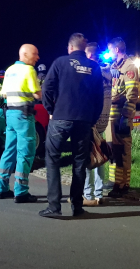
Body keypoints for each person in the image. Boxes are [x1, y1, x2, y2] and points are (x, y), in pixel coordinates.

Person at [39, 34, 103, 218]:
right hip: (84, 120)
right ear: (84, 48)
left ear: (70, 47)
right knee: (79, 162)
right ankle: (77, 206)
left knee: (52, 159)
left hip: (60, 118)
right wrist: (91, 119)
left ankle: (54, 206)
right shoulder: (94, 67)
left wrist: (52, 110)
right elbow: (99, 98)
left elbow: (47, 89)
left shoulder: (60, 62)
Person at [0, 44, 41, 203]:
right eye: (35, 54)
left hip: (10, 114)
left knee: (9, 150)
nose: (37, 57)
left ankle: (2, 188)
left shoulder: (9, 70)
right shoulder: (29, 71)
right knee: (25, 152)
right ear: (25, 54)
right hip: (23, 115)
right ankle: (21, 192)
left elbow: (4, 94)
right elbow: (37, 94)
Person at [105, 37, 139, 197]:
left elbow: (132, 95)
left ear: (116, 50)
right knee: (113, 149)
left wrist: (126, 117)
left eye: (109, 50)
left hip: (121, 117)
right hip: (112, 117)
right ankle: (115, 181)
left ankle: (123, 185)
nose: (108, 53)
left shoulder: (129, 66)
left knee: (123, 151)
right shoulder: (114, 66)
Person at [82, 42, 112, 205]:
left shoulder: (93, 72)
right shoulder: (107, 72)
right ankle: (99, 193)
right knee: (100, 155)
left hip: (91, 119)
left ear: (90, 56)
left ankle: (88, 194)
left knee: (90, 156)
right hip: (104, 119)